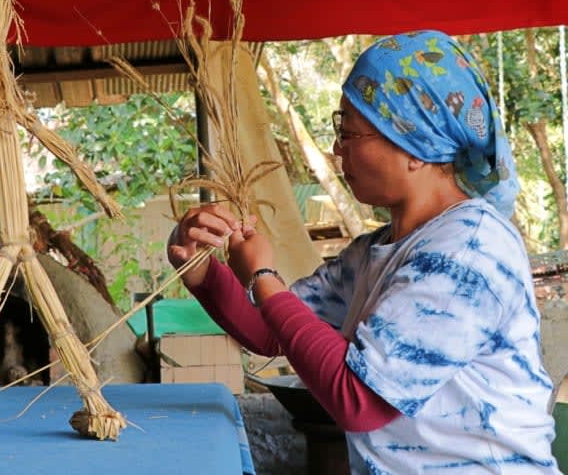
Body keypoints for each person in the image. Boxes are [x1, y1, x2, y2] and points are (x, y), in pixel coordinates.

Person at [167, 31, 559, 473]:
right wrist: (202, 271)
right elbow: (272, 330)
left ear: (414, 145)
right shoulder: (380, 249)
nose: (337, 149)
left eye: (350, 132)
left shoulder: (468, 250)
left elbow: (359, 400)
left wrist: (263, 276)